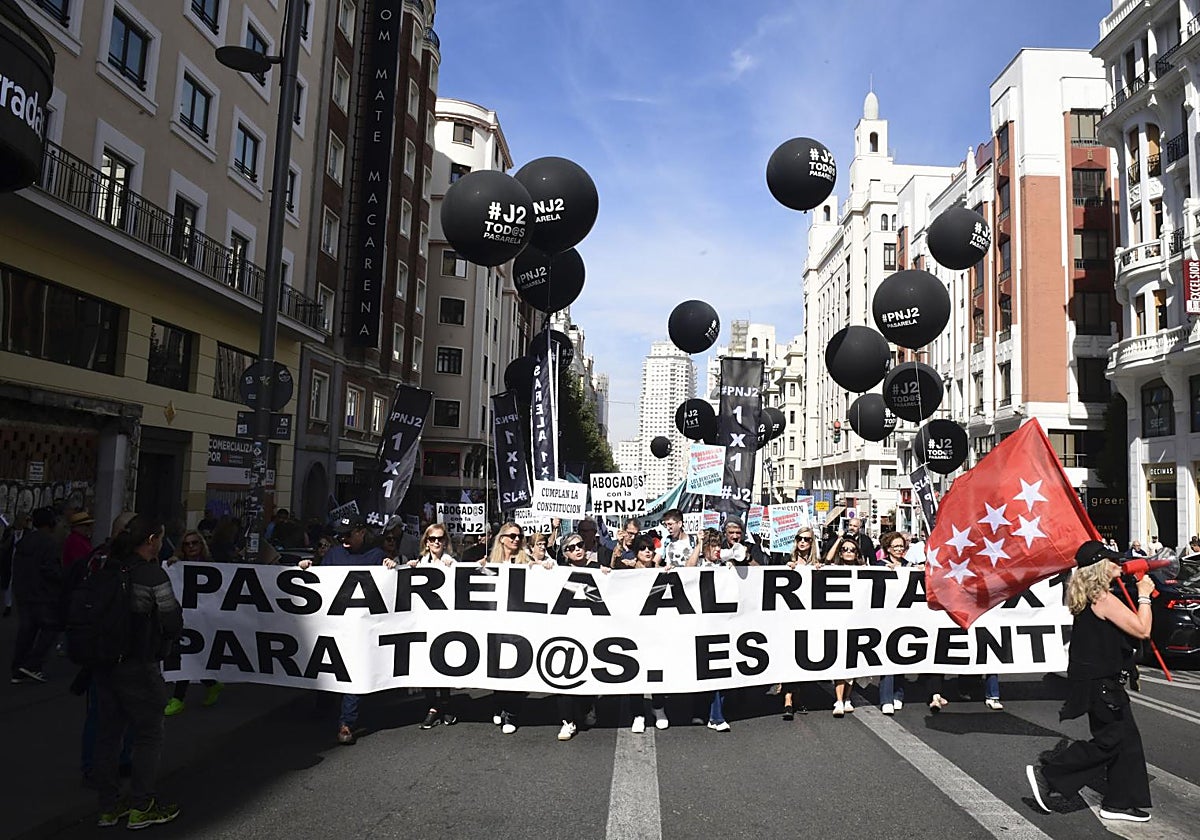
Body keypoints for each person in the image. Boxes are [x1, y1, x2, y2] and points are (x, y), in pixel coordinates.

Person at [1027, 540, 1156, 823]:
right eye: (1113, 561)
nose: (1118, 565)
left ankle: (1119, 802)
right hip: (1101, 683)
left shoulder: (1089, 596)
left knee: (1127, 741)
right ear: (1100, 567)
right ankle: (1050, 773)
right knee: (1112, 740)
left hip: (1097, 681)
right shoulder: (1102, 598)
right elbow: (1142, 629)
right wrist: (1145, 595)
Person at [92, 514, 183, 829]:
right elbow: (171, 620)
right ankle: (142, 805)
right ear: (151, 541)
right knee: (148, 733)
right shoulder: (152, 574)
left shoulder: (108, 567)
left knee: (108, 735)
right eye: (160, 537)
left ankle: (108, 806)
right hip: (138, 664)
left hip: (103, 662)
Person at [317, 515, 387, 745]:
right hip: (335, 625)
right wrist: (307, 569)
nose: (343, 538)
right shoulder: (334, 555)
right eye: (340, 534)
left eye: (348, 534)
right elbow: (320, 583)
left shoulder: (376, 556)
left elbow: (390, 589)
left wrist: (391, 567)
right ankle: (322, 707)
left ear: (361, 532)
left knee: (353, 673)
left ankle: (347, 722)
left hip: (361, 627)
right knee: (330, 670)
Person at [387, 523, 459, 730]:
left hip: (445, 622)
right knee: (427, 663)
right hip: (423, 622)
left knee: (443, 661)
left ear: (446, 541)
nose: (437, 542)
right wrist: (396, 567)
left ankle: (444, 703)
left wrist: (452, 568)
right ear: (426, 542)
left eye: (440, 538)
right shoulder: (416, 563)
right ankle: (432, 707)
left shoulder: (452, 563)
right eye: (432, 539)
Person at [162, 531, 221, 716]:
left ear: (201, 544)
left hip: (204, 619)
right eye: (187, 544)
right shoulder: (176, 566)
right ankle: (182, 697)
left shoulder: (212, 566)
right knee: (186, 656)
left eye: (195, 543)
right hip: (184, 619)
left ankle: (202, 688)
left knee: (193, 656)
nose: (191, 547)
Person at [555, 530, 604, 740]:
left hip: (591, 631)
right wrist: (542, 568)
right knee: (564, 675)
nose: (577, 550)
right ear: (565, 554)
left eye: (580, 545)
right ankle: (568, 721)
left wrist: (610, 576)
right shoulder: (558, 572)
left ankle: (587, 706)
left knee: (586, 674)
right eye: (571, 548)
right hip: (566, 631)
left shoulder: (596, 569)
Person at [10, 507, 61, 684]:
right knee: (51, 627)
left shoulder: (25, 541)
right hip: (42, 594)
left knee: (26, 631)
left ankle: (18, 668)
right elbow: (50, 570)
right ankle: (32, 664)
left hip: (24, 593)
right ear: (51, 524)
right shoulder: (49, 543)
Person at [686, 529, 731, 731]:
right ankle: (699, 711)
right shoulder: (700, 563)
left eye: (719, 545)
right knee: (701, 672)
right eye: (713, 546)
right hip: (699, 625)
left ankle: (717, 717)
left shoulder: (726, 566)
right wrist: (699, 544)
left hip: (721, 624)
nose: (717, 550)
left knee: (719, 672)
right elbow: (688, 568)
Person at [488, 522, 530, 733]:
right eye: (512, 535)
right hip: (495, 625)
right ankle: (499, 706)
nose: (516, 539)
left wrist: (545, 568)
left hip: (518, 627)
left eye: (519, 536)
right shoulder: (488, 563)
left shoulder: (527, 561)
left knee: (513, 669)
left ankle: (511, 715)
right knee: (496, 668)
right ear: (502, 538)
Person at [781, 526, 820, 718]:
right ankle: (788, 698)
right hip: (789, 618)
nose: (803, 542)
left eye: (807, 539)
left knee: (804, 658)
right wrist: (785, 569)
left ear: (812, 543)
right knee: (789, 656)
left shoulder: (817, 563)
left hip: (809, 618)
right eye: (799, 538)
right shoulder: (784, 560)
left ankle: (798, 695)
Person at [829, 537, 864, 715]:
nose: (848, 552)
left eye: (852, 550)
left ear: (857, 554)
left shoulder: (865, 571)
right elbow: (827, 560)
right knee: (840, 661)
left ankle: (848, 697)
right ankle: (838, 700)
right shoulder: (834, 569)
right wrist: (839, 539)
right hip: (838, 622)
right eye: (845, 549)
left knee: (853, 662)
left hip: (858, 622)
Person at [878, 531, 909, 714]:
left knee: (902, 657)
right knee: (887, 659)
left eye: (901, 546)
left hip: (904, 617)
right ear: (887, 549)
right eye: (895, 546)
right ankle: (886, 698)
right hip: (885, 618)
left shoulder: (908, 565)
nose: (899, 549)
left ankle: (898, 694)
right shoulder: (879, 565)